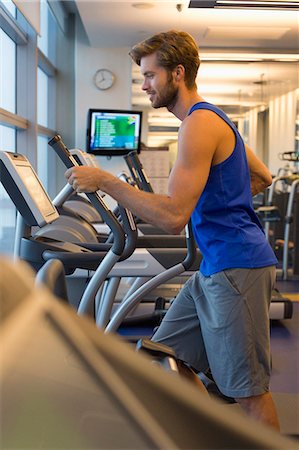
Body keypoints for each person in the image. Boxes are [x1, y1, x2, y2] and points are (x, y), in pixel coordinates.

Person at [65, 30, 280, 431]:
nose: (144, 85)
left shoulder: (197, 124)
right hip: (215, 266)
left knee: (247, 390)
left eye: (149, 75)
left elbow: (172, 217)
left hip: (237, 266)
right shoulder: (212, 117)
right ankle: (212, 434)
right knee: (166, 353)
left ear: (177, 74)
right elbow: (262, 176)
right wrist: (217, 198)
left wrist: (104, 181)